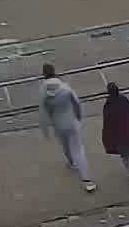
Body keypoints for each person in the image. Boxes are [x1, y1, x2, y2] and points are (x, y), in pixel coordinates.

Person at [39, 64, 95, 192]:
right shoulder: (65, 88)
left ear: (44, 74)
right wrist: (79, 117)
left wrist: (45, 130)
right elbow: (76, 103)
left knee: (65, 145)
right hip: (71, 122)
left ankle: (71, 162)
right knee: (78, 150)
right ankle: (87, 181)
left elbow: (42, 111)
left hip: (58, 124)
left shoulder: (43, 91)